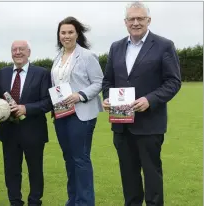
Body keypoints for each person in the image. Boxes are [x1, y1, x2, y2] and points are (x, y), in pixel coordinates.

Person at [102, 2, 181, 205]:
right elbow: (108, 81)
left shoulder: (164, 45)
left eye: (140, 18)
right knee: (128, 178)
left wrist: (149, 99)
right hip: (121, 125)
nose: (135, 22)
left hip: (150, 124)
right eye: (131, 19)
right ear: (125, 22)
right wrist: (107, 98)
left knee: (152, 177)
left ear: (148, 20)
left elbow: (173, 81)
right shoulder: (116, 47)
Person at [50, 16, 104, 206]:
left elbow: (99, 82)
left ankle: (85, 202)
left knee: (80, 159)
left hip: (82, 114)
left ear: (77, 34)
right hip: (61, 114)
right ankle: (73, 200)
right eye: (63, 32)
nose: (66, 36)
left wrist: (80, 95)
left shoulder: (87, 56)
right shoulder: (57, 58)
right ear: (59, 35)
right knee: (69, 159)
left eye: (70, 32)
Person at [0, 40, 52, 206]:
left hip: (33, 131)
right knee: (11, 171)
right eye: (14, 49)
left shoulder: (41, 73)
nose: (18, 52)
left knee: (35, 170)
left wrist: (26, 108)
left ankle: (34, 201)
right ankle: (15, 202)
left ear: (29, 52)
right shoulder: (2, 73)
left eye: (22, 49)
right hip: (8, 131)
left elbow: (48, 102)